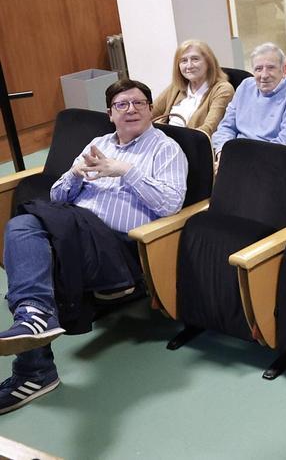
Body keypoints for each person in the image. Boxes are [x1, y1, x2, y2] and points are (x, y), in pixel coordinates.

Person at [0, 79, 187, 413]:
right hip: (75, 231)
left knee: (26, 225)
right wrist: (73, 173)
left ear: (151, 110)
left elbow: (171, 205)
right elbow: (58, 195)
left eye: (139, 103)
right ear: (110, 113)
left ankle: (34, 340)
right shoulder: (99, 142)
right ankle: (34, 351)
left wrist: (124, 171)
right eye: (122, 105)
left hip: (116, 248)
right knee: (30, 243)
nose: (131, 110)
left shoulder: (165, 148)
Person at [211, 43, 286, 155]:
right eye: (258, 69)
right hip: (235, 156)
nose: (264, 75)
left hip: (270, 160)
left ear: (283, 70)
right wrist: (222, 152)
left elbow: (285, 144)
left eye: (271, 68)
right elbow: (226, 127)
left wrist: (241, 161)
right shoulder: (246, 86)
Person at [151, 40, 235, 137]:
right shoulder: (176, 87)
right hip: (166, 144)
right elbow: (148, 115)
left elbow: (207, 130)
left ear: (209, 62)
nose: (189, 66)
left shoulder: (223, 90)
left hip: (193, 147)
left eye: (195, 59)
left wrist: (164, 132)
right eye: (184, 61)